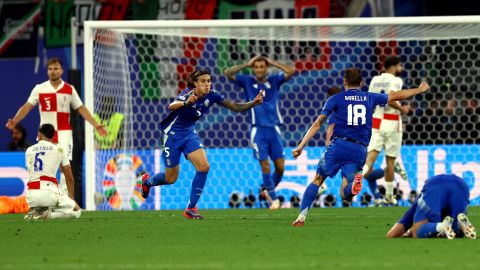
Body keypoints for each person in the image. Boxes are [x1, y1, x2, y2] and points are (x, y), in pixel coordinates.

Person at [291, 67, 430, 226]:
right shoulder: (370, 97)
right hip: (359, 150)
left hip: (338, 146)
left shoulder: (335, 99)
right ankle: (355, 183)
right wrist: (419, 89)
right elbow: (397, 95)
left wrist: (301, 145)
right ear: (362, 83)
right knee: (345, 193)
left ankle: (301, 217)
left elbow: (318, 123)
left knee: (318, 179)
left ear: (344, 82)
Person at [140, 68, 264, 219]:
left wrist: (254, 103)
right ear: (195, 83)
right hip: (171, 136)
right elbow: (171, 106)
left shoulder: (212, 95)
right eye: (203, 81)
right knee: (171, 178)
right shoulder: (188, 94)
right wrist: (185, 103)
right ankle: (147, 182)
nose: (207, 84)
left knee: (204, 166)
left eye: (209, 81)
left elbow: (235, 107)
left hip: (188, 133)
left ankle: (191, 208)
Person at [5, 57, 107, 195]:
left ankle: (64, 200)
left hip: (64, 134)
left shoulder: (69, 89)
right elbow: (27, 107)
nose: (53, 72)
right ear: (47, 71)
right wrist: (15, 121)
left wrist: (96, 125)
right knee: (44, 168)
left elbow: (81, 108)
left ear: (62, 70)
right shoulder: (40, 88)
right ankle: (45, 200)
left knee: (65, 167)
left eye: (56, 68)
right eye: (50, 69)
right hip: (45, 134)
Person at [223, 56, 295, 209]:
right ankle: (274, 199)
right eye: (256, 67)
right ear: (253, 68)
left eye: (262, 66)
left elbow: (291, 71)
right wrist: (247, 64)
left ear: (266, 68)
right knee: (265, 165)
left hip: (274, 128)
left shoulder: (275, 80)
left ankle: (267, 190)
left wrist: (273, 62)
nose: (259, 69)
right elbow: (227, 73)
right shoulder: (248, 81)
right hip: (257, 130)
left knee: (280, 167)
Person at [362, 56, 410, 206]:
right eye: (399, 66)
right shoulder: (397, 81)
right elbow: (391, 98)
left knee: (372, 155)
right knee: (390, 160)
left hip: (377, 120)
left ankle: (359, 175)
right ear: (394, 66)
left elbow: (370, 99)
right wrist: (402, 109)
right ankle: (389, 196)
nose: (401, 69)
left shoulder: (375, 80)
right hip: (392, 121)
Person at [386, 174, 476, 239]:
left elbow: (391, 234)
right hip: (461, 186)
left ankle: (441, 226)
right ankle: (461, 227)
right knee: (455, 230)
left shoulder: (419, 202)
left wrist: (410, 231)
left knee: (417, 231)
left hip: (436, 185)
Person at [23, 123, 81, 220]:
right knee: (77, 211)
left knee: (43, 200)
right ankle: (49, 215)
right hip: (49, 193)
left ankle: (37, 209)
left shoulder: (29, 150)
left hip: (31, 196)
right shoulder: (59, 149)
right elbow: (69, 176)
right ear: (53, 136)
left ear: (39, 135)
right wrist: (71, 199)